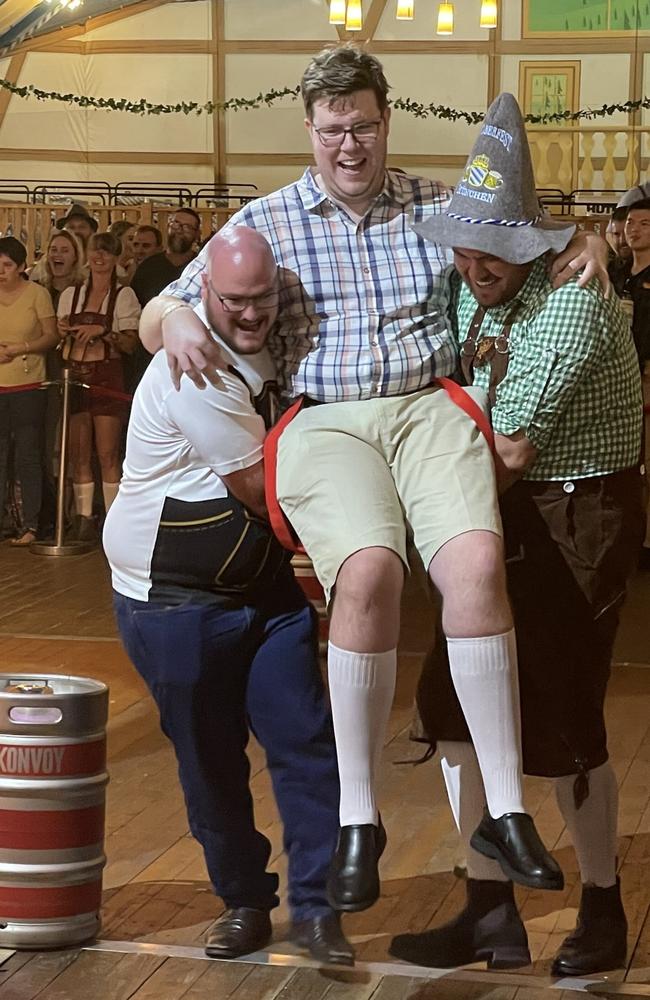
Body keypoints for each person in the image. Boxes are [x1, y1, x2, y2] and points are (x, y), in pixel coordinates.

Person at [139, 45, 607, 914]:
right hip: (326, 414)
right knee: (368, 572)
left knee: (472, 564)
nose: (348, 144)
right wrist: (170, 320)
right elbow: (161, 302)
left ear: (385, 121)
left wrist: (586, 236)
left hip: (429, 403)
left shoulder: (435, 203)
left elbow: (516, 234)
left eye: (361, 125)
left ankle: (507, 808)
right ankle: (361, 819)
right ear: (309, 131)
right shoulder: (268, 218)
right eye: (331, 130)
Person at [388, 93, 644, 977]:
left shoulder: (569, 304)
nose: (473, 263)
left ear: (528, 245)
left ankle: (604, 910)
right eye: (463, 243)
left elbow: (503, 452)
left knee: (567, 716)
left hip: (578, 510)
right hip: (500, 504)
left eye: (493, 246)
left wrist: (386, 516)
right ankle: (488, 911)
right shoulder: (467, 287)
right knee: (452, 705)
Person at [103, 227, 353, 967]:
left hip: (263, 590)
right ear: (203, 294)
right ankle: (243, 899)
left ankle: (316, 909)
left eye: (260, 299)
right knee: (210, 761)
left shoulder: (278, 335)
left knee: (308, 743)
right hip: (173, 602)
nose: (249, 314)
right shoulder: (195, 367)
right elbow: (260, 490)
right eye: (233, 301)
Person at [57, 232, 140, 540]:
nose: (99, 258)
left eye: (106, 253)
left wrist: (102, 331)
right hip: (74, 374)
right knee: (79, 452)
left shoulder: (124, 295)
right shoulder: (71, 294)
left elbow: (131, 343)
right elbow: (59, 330)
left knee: (107, 453)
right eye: (95, 251)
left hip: (107, 374)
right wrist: (64, 329)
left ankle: (113, 520)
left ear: (117, 258)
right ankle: (83, 518)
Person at [0, 237, 58, 545]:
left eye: (7, 265)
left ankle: (32, 523)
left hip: (28, 382)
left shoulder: (37, 294)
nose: (1, 271)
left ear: (22, 266)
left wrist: (21, 347)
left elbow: (52, 336)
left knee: (28, 454)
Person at [609, 197, 650, 569]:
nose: (632, 230)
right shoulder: (617, 271)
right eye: (630, 223)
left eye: (644, 224)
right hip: (619, 375)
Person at [130, 208, 200, 308]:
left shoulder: (202, 266)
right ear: (168, 227)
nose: (180, 230)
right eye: (176, 224)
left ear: (197, 234)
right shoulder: (148, 266)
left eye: (187, 227)